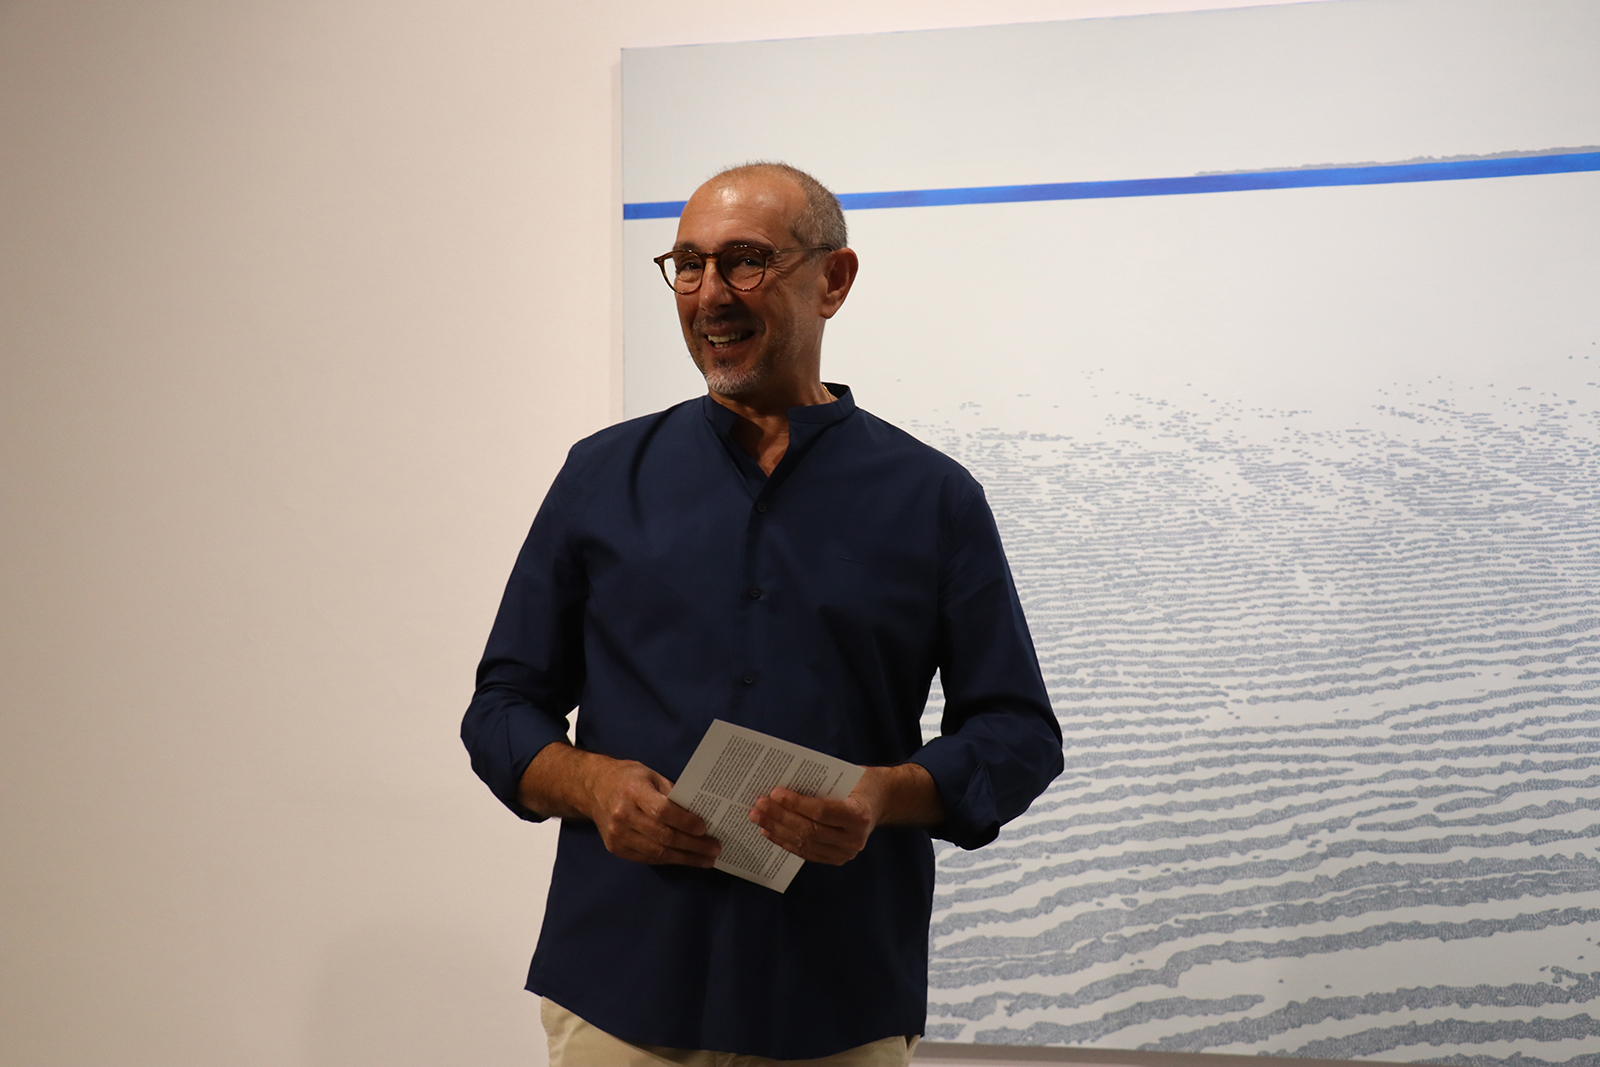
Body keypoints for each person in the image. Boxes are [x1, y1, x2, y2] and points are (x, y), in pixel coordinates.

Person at [461, 161, 1063, 1066]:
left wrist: (882, 794)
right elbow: (502, 708)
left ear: (834, 279)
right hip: (622, 984)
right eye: (688, 264)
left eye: (745, 260)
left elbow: (1019, 734)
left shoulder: (935, 499)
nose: (710, 294)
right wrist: (591, 785)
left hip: (834, 993)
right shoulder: (599, 475)